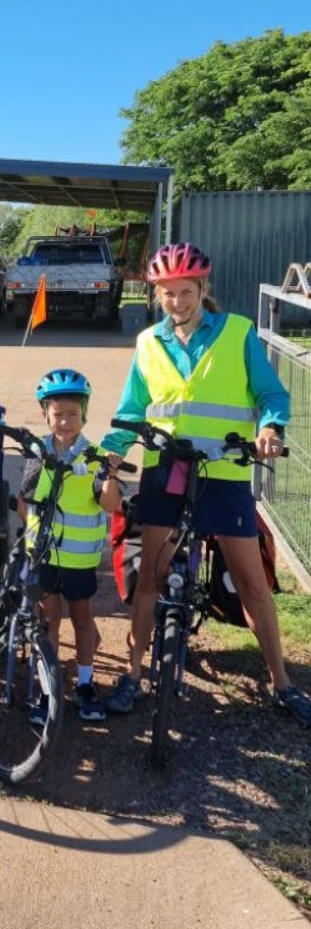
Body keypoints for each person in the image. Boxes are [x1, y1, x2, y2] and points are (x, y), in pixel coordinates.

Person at [101, 242, 311, 727]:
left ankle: (282, 683)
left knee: (252, 584)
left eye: (186, 292)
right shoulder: (148, 343)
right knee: (150, 578)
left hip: (224, 471)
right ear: (157, 294)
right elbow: (132, 410)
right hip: (167, 470)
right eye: (168, 293)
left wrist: (270, 428)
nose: (177, 301)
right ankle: (132, 676)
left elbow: (271, 393)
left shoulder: (237, 332)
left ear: (202, 289)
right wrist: (111, 455)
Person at [17, 369, 122, 722]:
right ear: (45, 413)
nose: (64, 422)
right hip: (44, 554)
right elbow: (25, 500)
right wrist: (30, 533)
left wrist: (110, 474)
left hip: (79, 559)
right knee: (49, 619)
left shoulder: (95, 456)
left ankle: (85, 684)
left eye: (72, 414)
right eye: (57, 414)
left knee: (82, 618)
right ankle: (48, 687)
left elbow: (110, 505)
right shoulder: (37, 452)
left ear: (84, 413)